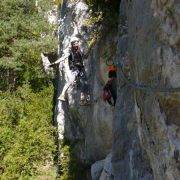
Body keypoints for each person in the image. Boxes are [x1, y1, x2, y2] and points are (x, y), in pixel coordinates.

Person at [50, 37, 90, 105]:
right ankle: (62, 95)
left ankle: (83, 100)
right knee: (71, 81)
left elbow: (85, 57)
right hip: (75, 68)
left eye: (77, 42)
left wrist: (89, 49)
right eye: (75, 43)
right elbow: (63, 58)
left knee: (85, 83)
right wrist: (54, 63)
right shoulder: (70, 52)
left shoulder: (79, 51)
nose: (77, 44)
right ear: (72, 45)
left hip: (81, 69)